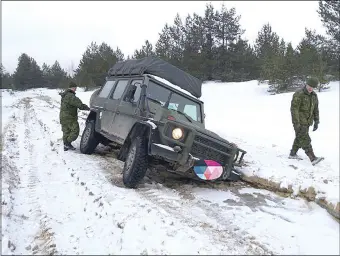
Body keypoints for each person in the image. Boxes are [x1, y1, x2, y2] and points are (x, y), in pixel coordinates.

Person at [289, 77, 323, 165]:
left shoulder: (314, 96)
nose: (310, 88)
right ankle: (312, 157)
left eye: (313, 87)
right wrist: (296, 123)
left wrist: (316, 121)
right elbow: (294, 109)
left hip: (308, 122)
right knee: (305, 139)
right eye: (309, 86)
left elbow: (316, 109)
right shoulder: (299, 94)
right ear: (306, 84)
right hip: (300, 121)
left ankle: (293, 153)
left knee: (300, 137)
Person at [59, 81, 90, 151]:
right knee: (75, 131)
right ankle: (67, 143)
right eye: (75, 88)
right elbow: (79, 105)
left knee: (66, 131)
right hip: (69, 117)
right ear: (72, 88)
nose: (76, 89)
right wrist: (88, 108)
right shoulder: (71, 96)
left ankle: (66, 145)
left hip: (63, 116)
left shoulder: (65, 95)